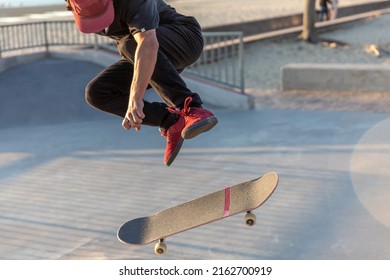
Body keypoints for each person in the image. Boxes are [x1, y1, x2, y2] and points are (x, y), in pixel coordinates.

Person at [65, 0, 218, 166]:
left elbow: (148, 43)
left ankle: (191, 107)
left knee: (130, 43)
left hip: (183, 39)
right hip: (142, 51)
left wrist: (135, 97)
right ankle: (171, 121)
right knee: (97, 92)